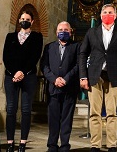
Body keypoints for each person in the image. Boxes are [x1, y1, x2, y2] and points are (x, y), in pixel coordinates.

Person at [79, 4, 117, 152]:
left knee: (112, 113)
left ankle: (111, 145)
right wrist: (83, 76)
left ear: (115, 16)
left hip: (114, 77)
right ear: (101, 15)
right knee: (94, 113)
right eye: (105, 12)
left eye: (110, 12)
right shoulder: (91, 32)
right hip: (94, 76)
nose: (107, 15)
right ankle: (95, 145)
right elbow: (82, 54)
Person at [2, 10, 43, 152]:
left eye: (27, 19)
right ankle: (10, 143)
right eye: (22, 18)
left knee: (26, 110)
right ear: (19, 20)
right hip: (11, 76)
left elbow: (35, 57)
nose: (24, 20)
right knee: (11, 109)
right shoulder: (10, 36)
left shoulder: (37, 37)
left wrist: (22, 72)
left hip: (28, 76)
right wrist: (15, 72)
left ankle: (23, 143)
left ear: (31, 22)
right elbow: (6, 57)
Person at [40, 21, 80, 152]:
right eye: (61, 29)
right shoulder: (49, 47)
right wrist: (54, 79)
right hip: (53, 88)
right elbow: (44, 66)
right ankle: (52, 145)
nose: (63, 32)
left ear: (71, 31)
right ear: (57, 32)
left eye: (66, 30)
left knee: (66, 119)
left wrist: (66, 79)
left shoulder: (76, 46)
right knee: (53, 119)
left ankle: (64, 146)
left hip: (69, 88)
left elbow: (78, 66)